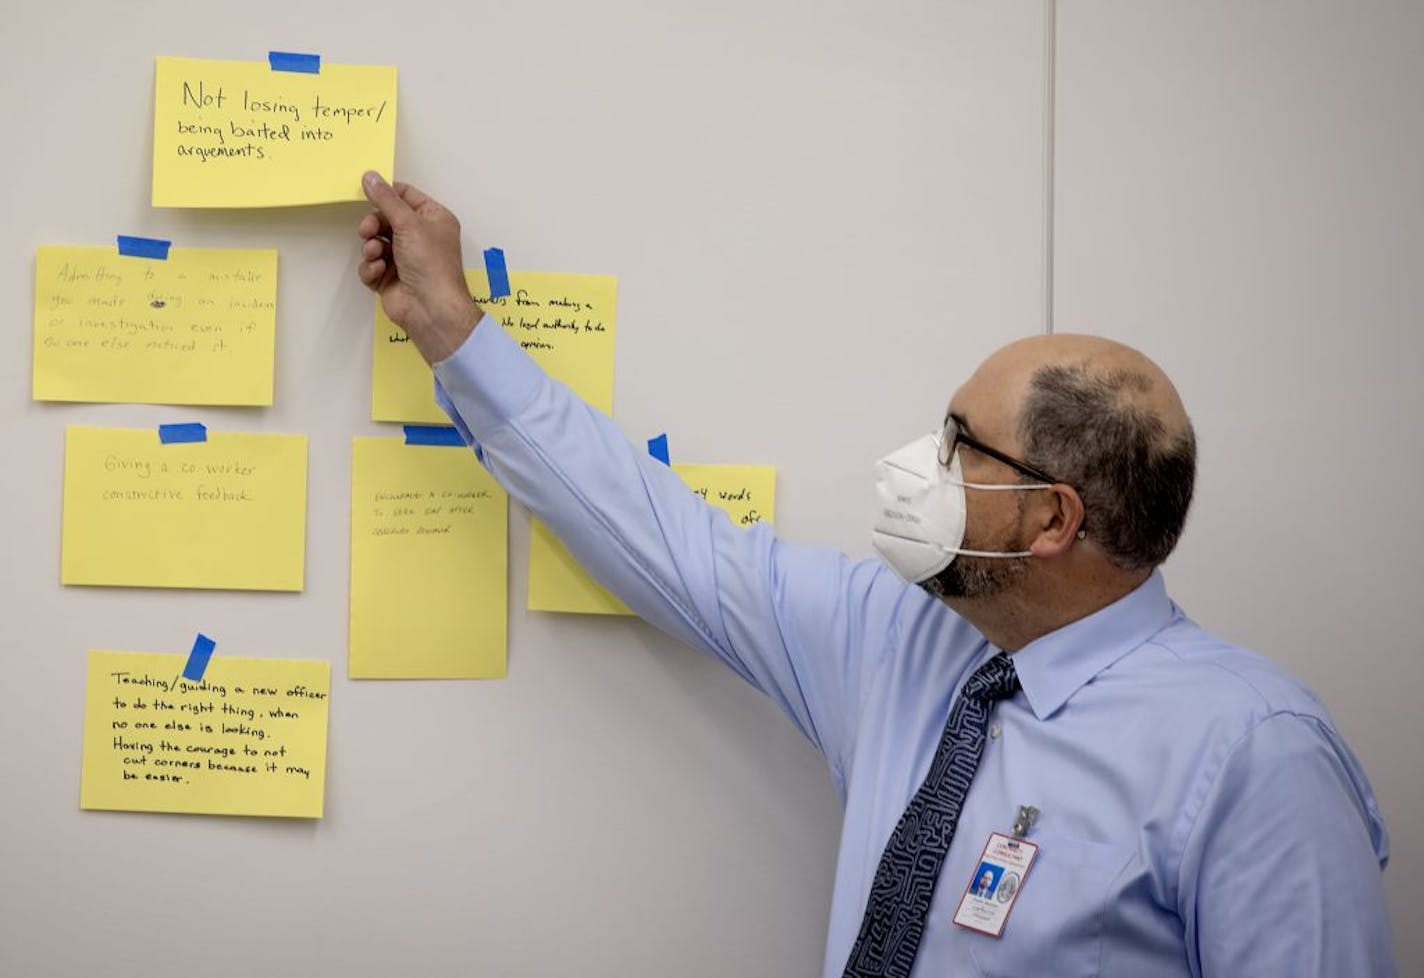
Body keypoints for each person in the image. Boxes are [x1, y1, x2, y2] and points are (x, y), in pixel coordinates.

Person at [355, 172, 1397, 977]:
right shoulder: (902, 644)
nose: (920, 466)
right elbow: (656, 532)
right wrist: (447, 324)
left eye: (958, 445)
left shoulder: (1253, 754)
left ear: (1049, 517)